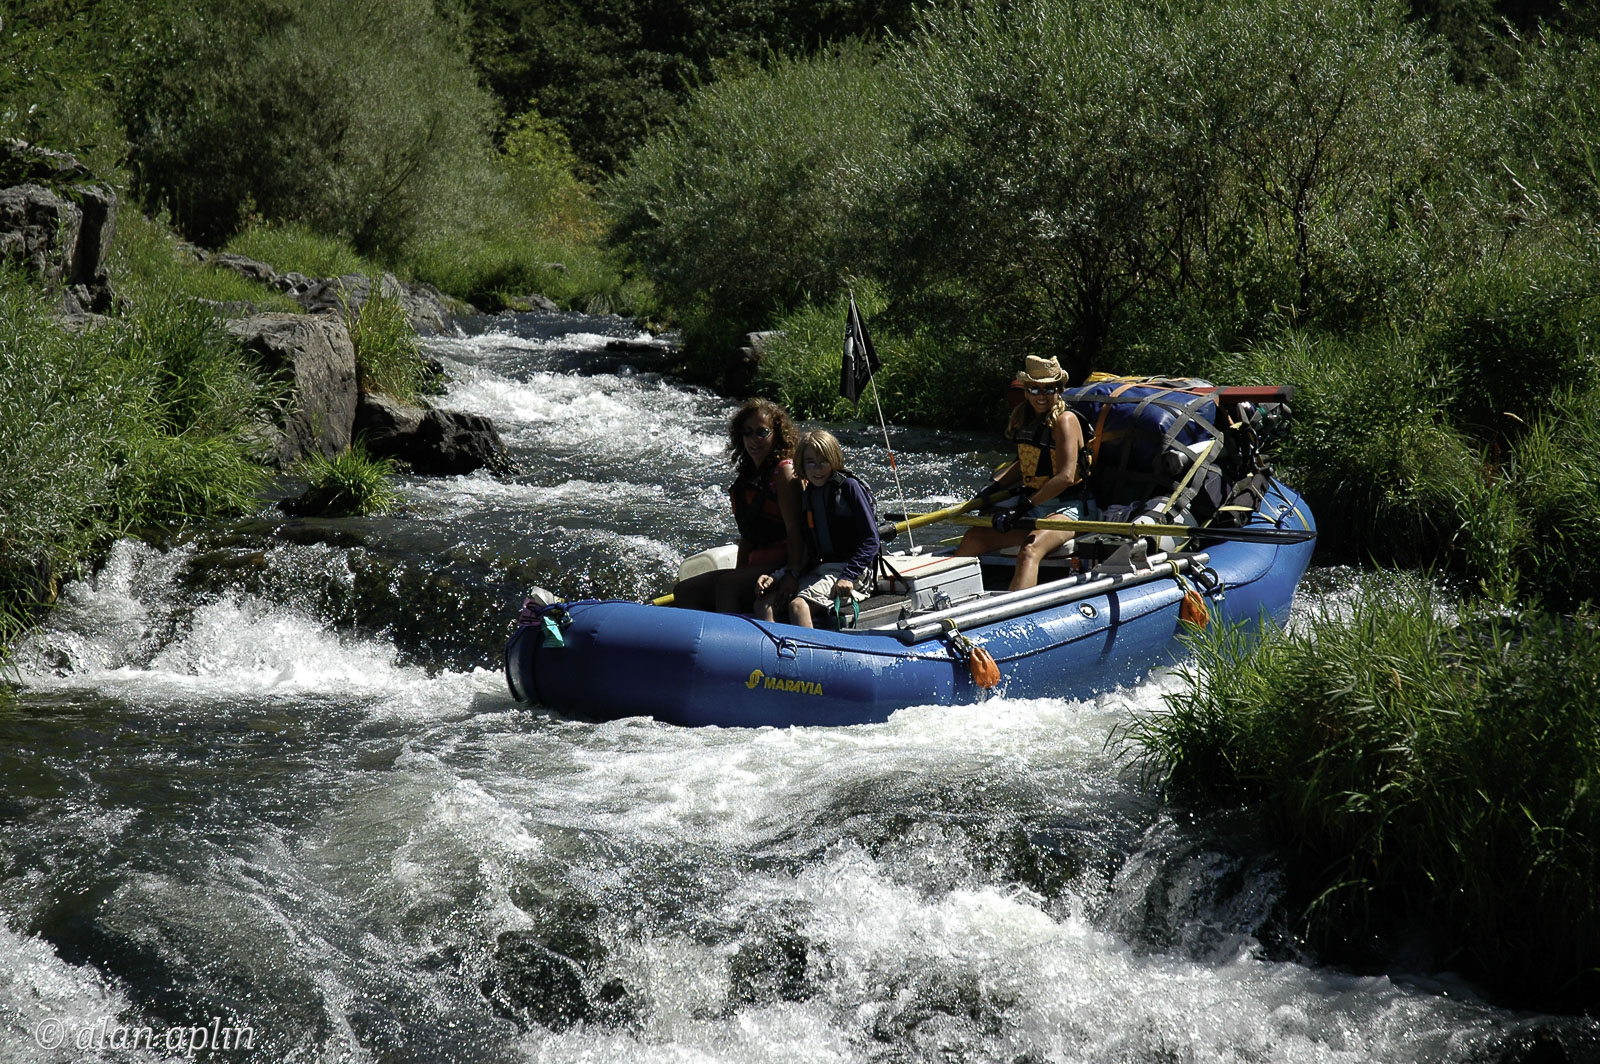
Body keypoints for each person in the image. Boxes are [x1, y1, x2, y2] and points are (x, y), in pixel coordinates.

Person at [954, 354, 1097, 590]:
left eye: (1048, 389)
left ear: (1059, 390)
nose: (1041, 396)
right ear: (1026, 391)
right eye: (1034, 389)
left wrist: (1021, 508)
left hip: (1067, 509)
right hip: (1033, 506)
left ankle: (1014, 608)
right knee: (974, 538)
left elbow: (1065, 477)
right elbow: (1025, 463)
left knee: (1030, 549)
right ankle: (951, 600)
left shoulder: (1065, 420)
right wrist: (992, 488)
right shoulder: (1025, 417)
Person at [672, 398, 805, 614]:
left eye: (761, 432)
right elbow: (747, 534)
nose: (753, 439)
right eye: (747, 432)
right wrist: (740, 571)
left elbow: (795, 529)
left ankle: (728, 635)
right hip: (757, 562)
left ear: (777, 435)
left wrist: (792, 574)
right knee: (685, 590)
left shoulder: (784, 472)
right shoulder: (749, 474)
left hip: (784, 562)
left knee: (728, 585)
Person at [754, 430, 880, 628]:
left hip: (854, 572)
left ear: (834, 460)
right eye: (810, 462)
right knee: (763, 604)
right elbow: (806, 548)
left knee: (798, 606)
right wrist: (777, 576)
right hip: (821, 570)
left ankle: (808, 648)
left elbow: (872, 540)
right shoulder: (809, 495)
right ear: (802, 465)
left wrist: (848, 576)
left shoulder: (849, 487)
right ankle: (774, 647)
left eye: (824, 462)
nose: (817, 469)